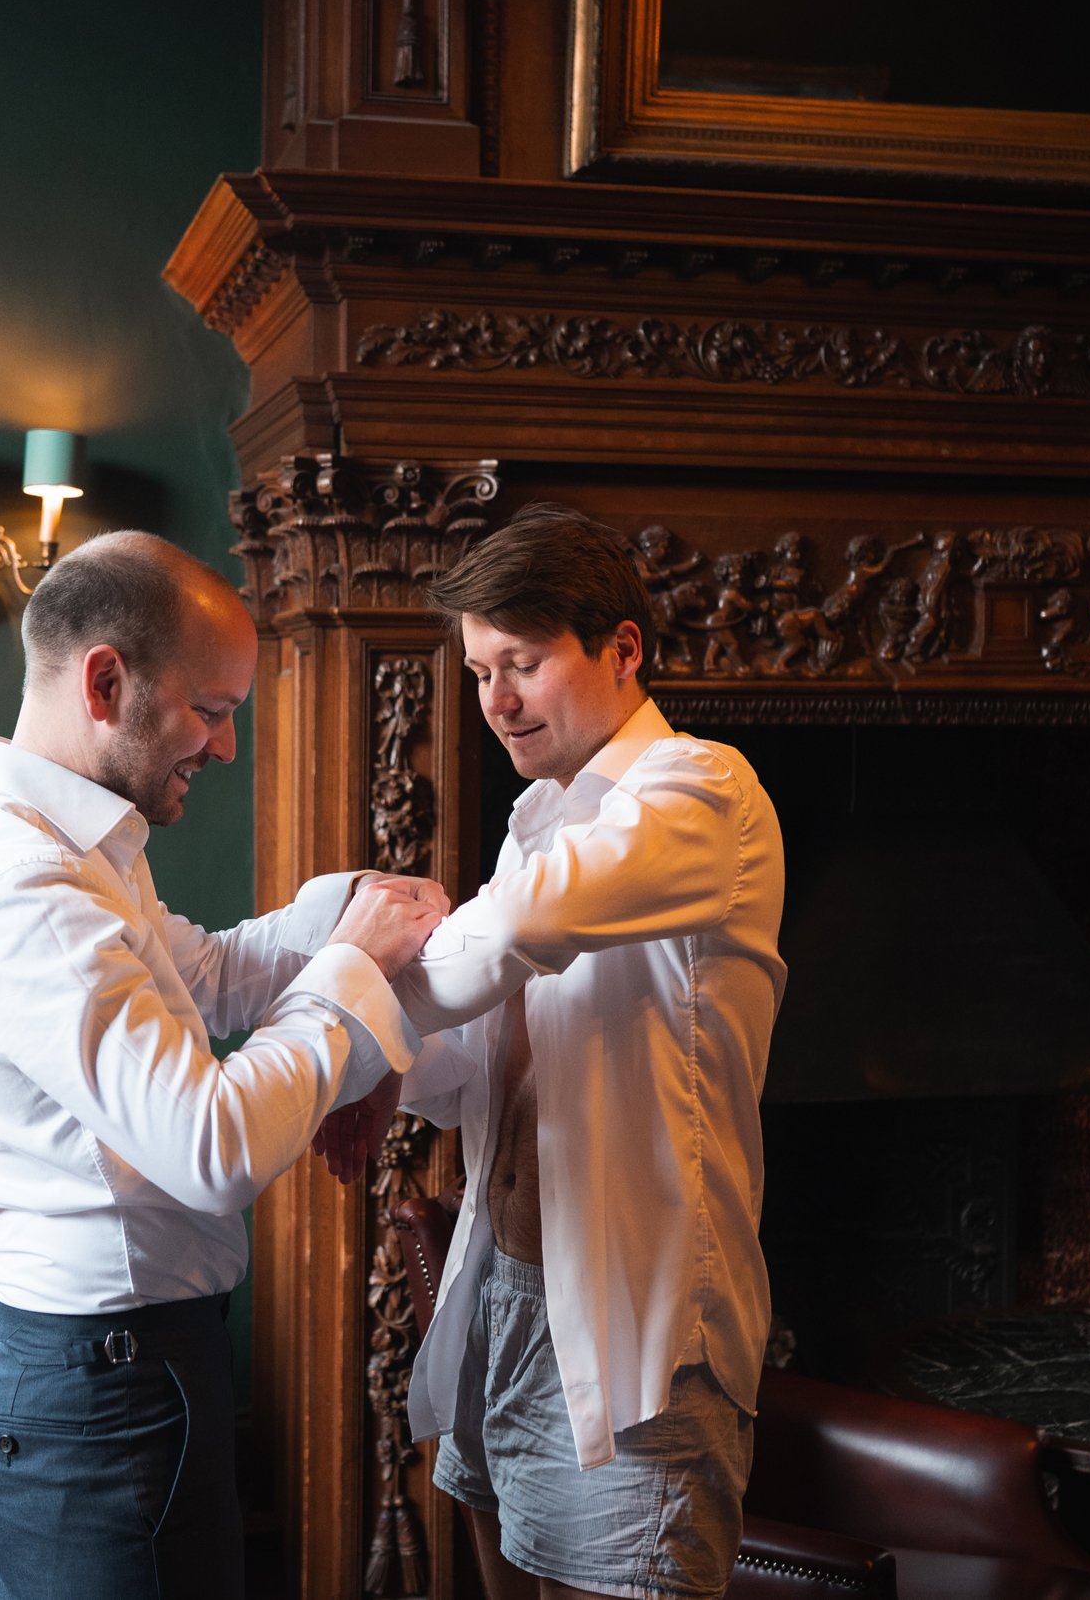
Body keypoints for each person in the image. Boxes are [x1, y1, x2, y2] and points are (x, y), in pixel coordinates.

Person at [0, 531, 447, 1600]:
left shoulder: (60, 849)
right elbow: (210, 1143)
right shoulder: (26, 884)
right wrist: (349, 977)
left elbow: (210, 975)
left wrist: (356, 911)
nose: (227, 747)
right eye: (214, 708)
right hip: (96, 1392)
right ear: (107, 680)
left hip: (87, 1378)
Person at [317, 504, 789, 1600]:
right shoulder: (535, 820)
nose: (496, 700)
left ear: (621, 648)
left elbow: (518, 930)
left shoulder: (700, 791)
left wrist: (358, 1019)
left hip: (633, 1327)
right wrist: (394, 1067)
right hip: (503, 1290)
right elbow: (485, 1057)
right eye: (480, 669)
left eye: (521, 662)